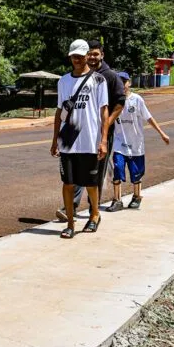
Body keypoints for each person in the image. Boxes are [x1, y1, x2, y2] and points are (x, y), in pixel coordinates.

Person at [55, 39, 126, 220]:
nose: (92, 57)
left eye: (96, 54)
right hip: (73, 133)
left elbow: (119, 103)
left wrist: (106, 125)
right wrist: (56, 139)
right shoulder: (67, 79)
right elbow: (60, 110)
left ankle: (93, 211)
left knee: (94, 176)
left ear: (101, 55)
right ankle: (71, 207)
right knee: (72, 176)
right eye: (91, 53)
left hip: (99, 133)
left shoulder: (108, 77)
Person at [50, 39, 109, 238]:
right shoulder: (63, 81)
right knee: (68, 183)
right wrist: (54, 140)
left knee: (91, 183)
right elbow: (59, 111)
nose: (76, 59)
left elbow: (104, 112)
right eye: (73, 56)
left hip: (90, 139)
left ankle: (94, 215)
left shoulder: (98, 80)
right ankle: (70, 223)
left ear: (86, 56)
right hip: (68, 139)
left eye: (79, 56)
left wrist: (103, 140)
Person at [111, 71, 170, 209]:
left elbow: (148, 117)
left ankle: (137, 196)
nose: (122, 85)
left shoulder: (137, 100)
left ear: (129, 83)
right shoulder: (113, 100)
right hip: (119, 143)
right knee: (118, 168)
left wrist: (161, 133)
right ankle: (117, 200)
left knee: (136, 172)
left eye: (124, 82)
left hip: (136, 144)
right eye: (119, 82)